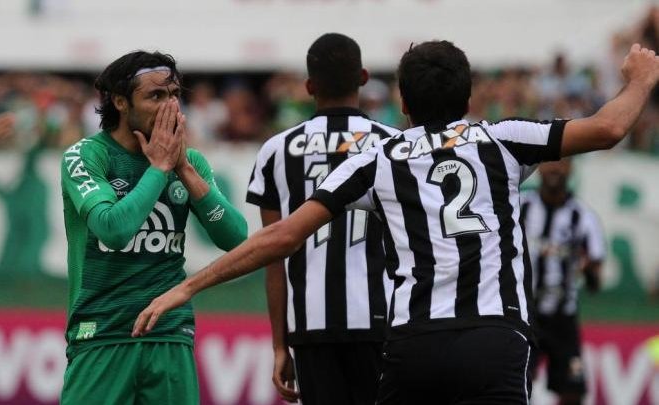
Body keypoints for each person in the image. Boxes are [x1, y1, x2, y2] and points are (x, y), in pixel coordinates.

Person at [133, 42, 659, 404]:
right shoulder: (503, 139)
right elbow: (610, 127)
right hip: (496, 337)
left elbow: (284, 235)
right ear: (469, 97)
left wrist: (187, 287)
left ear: (402, 103)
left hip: (416, 344)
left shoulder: (379, 157)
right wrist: (640, 79)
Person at [59, 50, 248, 405]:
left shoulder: (189, 161)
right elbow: (113, 230)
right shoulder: (86, 156)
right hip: (102, 333)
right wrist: (159, 168)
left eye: (175, 94)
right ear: (120, 101)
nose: (171, 106)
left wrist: (184, 171)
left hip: (170, 334)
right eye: (156, 96)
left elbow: (237, 239)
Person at [246, 33, 399, 404]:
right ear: (363, 78)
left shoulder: (275, 151)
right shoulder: (396, 146)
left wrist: (280, 345)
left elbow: (273, 257)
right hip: (385, 324)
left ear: (309, 86)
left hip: (310, 327)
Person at [521, 159, 606, 405]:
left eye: (562, 164)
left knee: (573, 391)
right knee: (516, 384)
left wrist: (588, 269)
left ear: (571, 169)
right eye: (549, 163)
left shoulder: (583, 217)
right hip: (525, 315)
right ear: (539, 168)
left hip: (563, 320)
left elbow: (595, 282)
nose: (555, 169)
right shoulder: (520, 207)